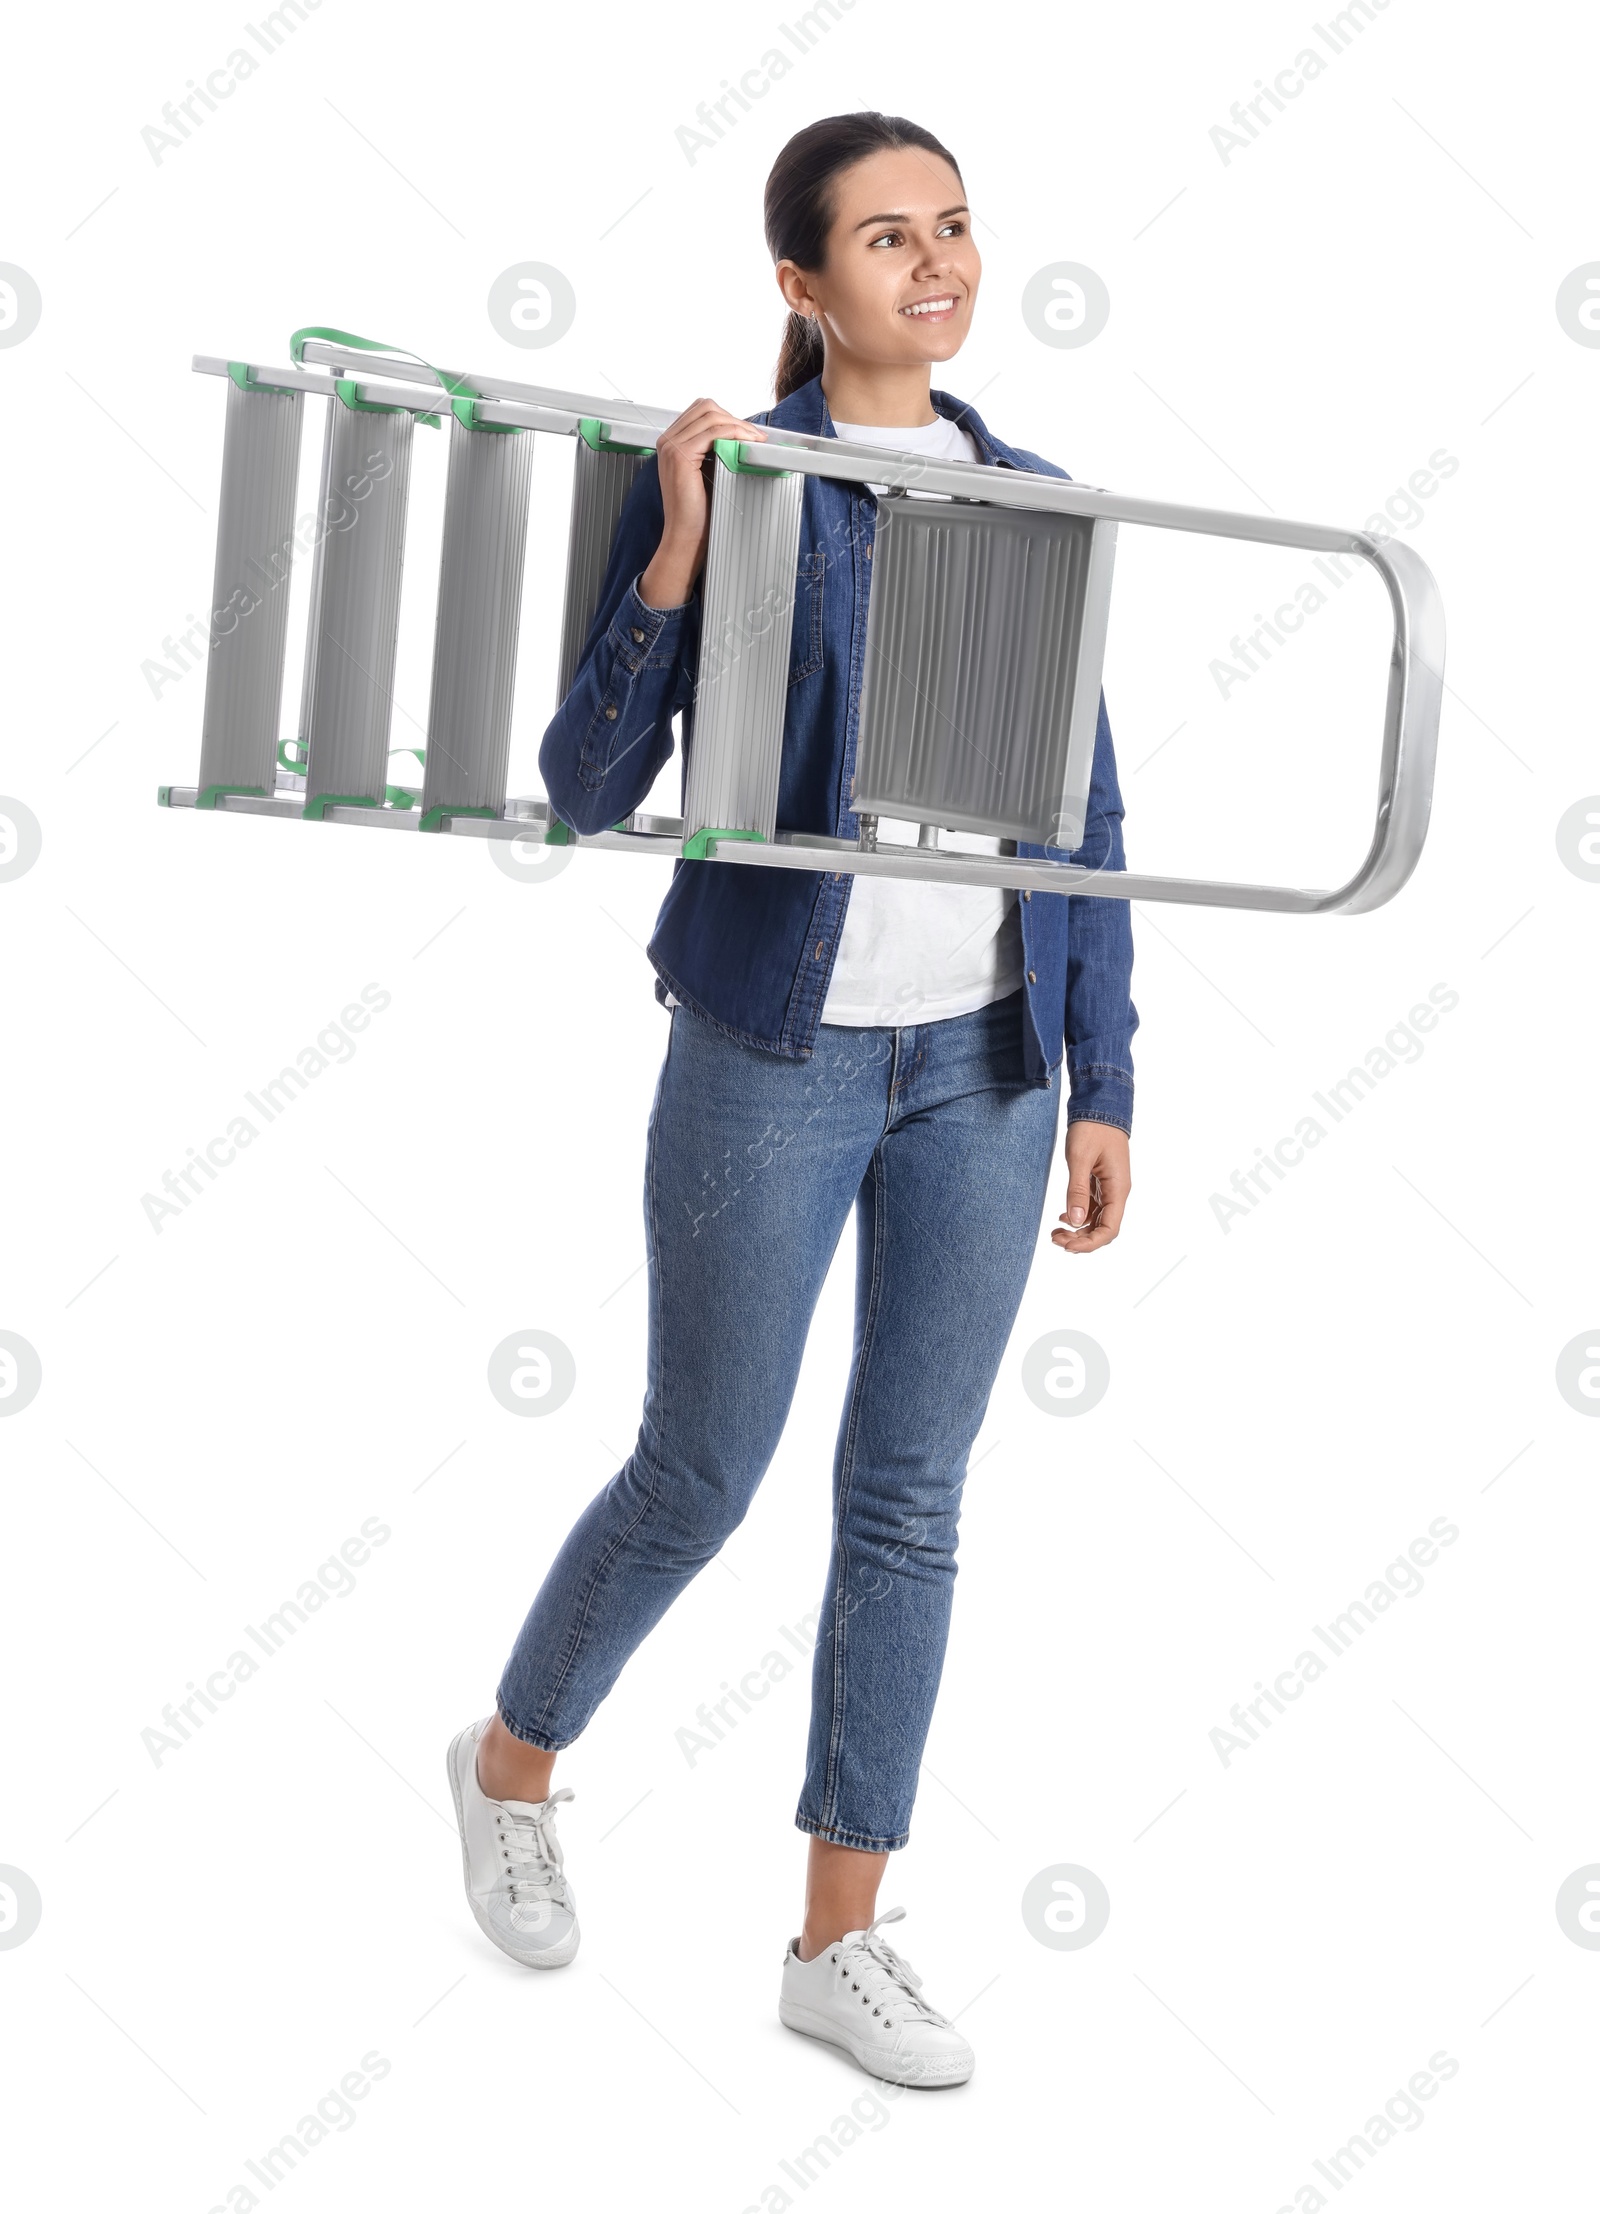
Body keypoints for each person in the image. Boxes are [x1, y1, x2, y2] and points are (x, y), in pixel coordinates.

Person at [446, 110, 1137, 2088]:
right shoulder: (748, 485)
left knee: (908, 1507)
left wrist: (1099, 1072)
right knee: (701, 1473)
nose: (933, 264)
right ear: (797, 284)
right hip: (775, 1054)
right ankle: (510, 1768)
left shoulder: (1030, 500)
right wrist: (669, 553)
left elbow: (1084, 815)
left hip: (985, 1073)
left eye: (953, 228)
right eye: (884, 236)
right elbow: (583, 788)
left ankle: (833, 1942)